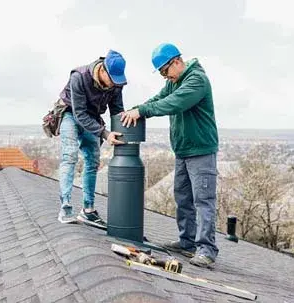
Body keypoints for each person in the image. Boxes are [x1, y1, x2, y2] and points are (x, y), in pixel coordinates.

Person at [121, 43, 219, 268]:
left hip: (201, 151)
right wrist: (133, 110)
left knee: (203, 201)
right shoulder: (174, 82)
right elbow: (157, 99)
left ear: (176, 62)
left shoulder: (196, 81)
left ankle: (207, 249)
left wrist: (142, 111)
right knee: (183, 198)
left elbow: (172, 104)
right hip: (183, 151)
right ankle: (187, 242)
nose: (164, 77)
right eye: (162, 74)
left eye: (165, 71)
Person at [57, 49, 126, 228]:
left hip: (92, 117)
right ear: (102, 71)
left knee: (93, 160)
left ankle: (88, 210)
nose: (114, 85)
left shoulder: (116, 84)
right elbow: (79, 114)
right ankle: (65, 207)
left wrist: (125, 126)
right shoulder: (79, 76)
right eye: (112, 79)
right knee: (70, 156)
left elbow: (117, 111)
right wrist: (104, 133)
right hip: (70, 113)